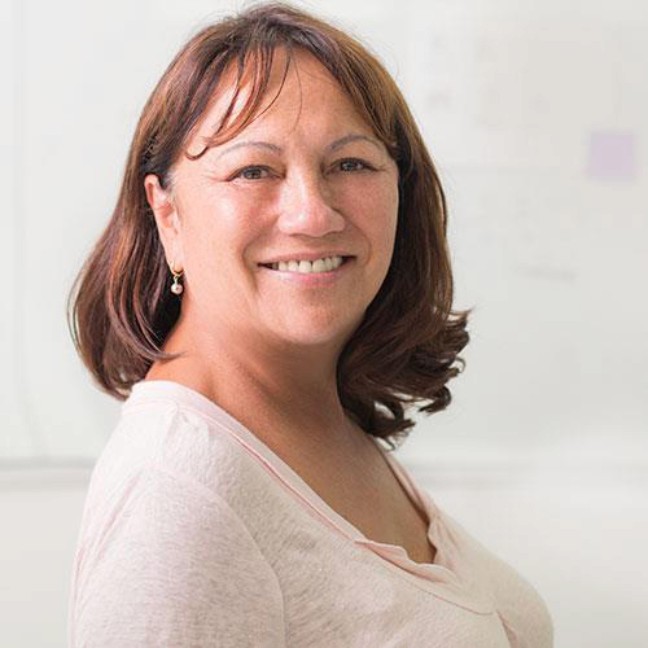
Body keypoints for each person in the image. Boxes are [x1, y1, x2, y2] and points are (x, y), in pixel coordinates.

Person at [67, 3, 554, 646]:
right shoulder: (177, 496)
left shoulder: (317, 417)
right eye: (253, 170)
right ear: (168, 215)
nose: (312, 215)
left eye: (350, 164)